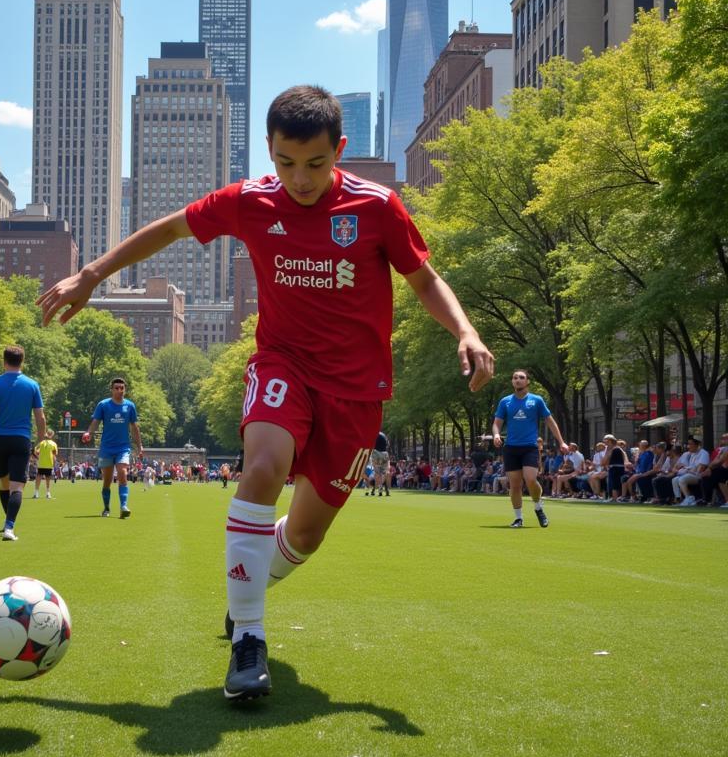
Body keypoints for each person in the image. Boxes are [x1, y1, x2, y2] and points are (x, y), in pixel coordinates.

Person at [38, 84, 494, 702]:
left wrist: (465, 330)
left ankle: (246, 588)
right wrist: (91, 274)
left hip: (357, 392)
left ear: (340, 149)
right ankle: (248, 638)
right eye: (284, 163)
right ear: (269, 151)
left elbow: (424, 279)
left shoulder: (379, 207)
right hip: (282, 365)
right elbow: (170, 229)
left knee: (304, 537)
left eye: (314, 164)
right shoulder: (250, 202)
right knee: (260, 469)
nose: (299, 178)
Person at [0, 344, 46, 541]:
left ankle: (7, 521)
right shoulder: (32, 385)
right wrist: (40, 441)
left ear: (4, 360)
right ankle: (9, 527)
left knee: (4, 483)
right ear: (22, 361)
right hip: (21, 439)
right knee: (17, 487)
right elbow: (41, 419)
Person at [492, 370, 569, 527]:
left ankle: (538, 507)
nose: (517, 380)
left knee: (531, 479)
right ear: (512, 382)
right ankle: (518, 518)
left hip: (529, 447)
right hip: (511, 448)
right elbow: (497, 423)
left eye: (521, 378)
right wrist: (496, 435)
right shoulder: (505, 402)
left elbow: (550, 422)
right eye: (514, 378)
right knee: (515, 485)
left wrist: (561, 442)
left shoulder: (536, 400)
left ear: (527, 382)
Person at [84, 377, 142, 519]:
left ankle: (123, 507)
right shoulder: (103, 405)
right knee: (107, 480)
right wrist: (89, 433)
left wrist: (140, 446)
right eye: (116, 388)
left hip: (123, 447)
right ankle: (106, 508)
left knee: (122, 472)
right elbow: (95, 422)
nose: (119, 390)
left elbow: (134, 427)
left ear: (125, 389)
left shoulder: (130, 406)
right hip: (106, 447)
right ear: (112, 389)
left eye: (122, 388)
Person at [33, 428, 59, 499]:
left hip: (41, 463)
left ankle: (36, 493)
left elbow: (35, 450)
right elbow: (55, 454)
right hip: (49, 464)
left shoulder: (41, 443)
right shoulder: (54, 444)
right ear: (52, 435)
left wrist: (38, 457)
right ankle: (48, 493)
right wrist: (54, 462)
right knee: (48, 478)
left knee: (38, 477)